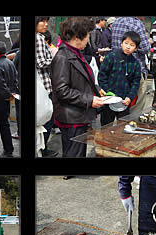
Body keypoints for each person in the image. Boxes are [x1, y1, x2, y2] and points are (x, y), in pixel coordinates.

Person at [52, 17, 104, 157]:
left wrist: (97, 89)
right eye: (87, 35)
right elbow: (62, 90)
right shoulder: (63, 57)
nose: (88, 39)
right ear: (76, 37)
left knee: (77, 149)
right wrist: (89, 99)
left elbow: (82, 80)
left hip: (78, 111)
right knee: (72, 151)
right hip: (71, 114)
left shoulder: (75, 53)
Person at [98, 31, 141, 127]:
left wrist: (130, 97)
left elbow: (135, 83)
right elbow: (102, 76)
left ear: (136, 48)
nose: (128, 47)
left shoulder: (135, 63)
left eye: (132, 45)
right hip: (109, 100)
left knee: (123, 126)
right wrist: (107, 93)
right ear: (121, 43)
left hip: (124, 101)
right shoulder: (111, 58)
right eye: (126, 43)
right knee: (106, 127)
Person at [110, 17, 151, 115]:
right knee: (136, 104)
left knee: (118, 102)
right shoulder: (137, 24)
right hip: (134, 68)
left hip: (116, 68)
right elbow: (145, 48)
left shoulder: (116, 22)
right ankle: (131, 124)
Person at [35, 17, 58, 158]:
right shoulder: (38, 38)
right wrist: (57, 59)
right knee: (46, 119)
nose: (46, 24)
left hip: (41, 85)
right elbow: (41, 62)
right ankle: (42, 149)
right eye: (42, 21)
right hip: (44, 86)